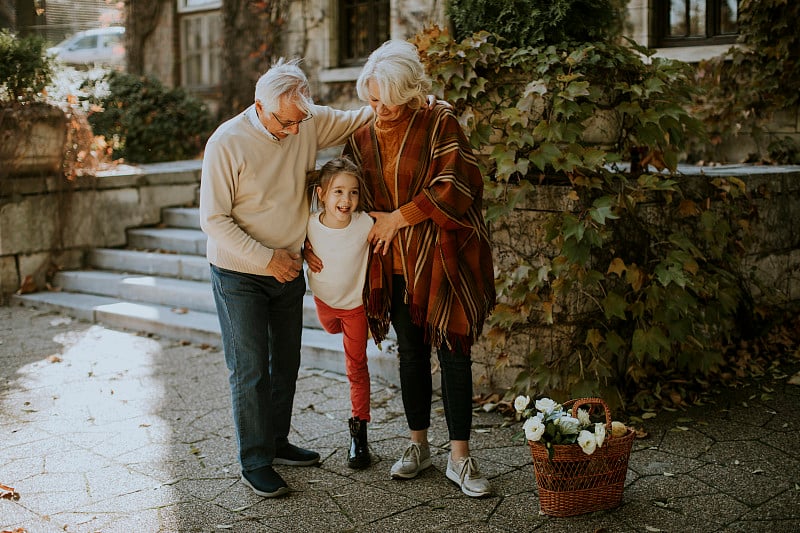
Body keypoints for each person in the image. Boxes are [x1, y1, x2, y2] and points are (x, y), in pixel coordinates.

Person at [199, 58, 374, 498]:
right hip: (239, 272)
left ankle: (276, 443)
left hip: (288, 269)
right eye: (286, 122)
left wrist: (412, 100)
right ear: (260, 105)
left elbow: (364, 115)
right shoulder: (227, 142)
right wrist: (265, 258)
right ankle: (255, 460)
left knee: (287, 363)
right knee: (251, 368)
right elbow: (213, 220)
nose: (297, 133)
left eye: (302, 121)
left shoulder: (305, 121)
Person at [345, 39, 496, 497]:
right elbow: (349, 193)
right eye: (372, 100)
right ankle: (417, 445)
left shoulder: (439, 120)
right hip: (391, 265)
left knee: (454, 354)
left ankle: (461, 458)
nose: (379, 110)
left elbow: (458, 185)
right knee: (409, 355)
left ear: (411, 92)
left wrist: (400, 217)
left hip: (441, 262)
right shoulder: (361, 134)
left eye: (388, 103)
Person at [306, 157, 374, 469]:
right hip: (324, 305)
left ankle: (359, 434)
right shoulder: (307, 225)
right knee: (330, 329)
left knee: (356, 367)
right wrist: (304, 250)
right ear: (321, 193)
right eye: (338, 192)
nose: (346, 200)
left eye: (353, 193)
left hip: (354, 308)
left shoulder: (365, 224)